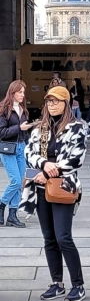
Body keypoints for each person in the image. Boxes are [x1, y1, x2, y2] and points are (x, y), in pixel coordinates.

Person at [20, 85, 87, 301]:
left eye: (57, 101)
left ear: (66, 103)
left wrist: (50, 171)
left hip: (63, 188)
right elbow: (29, 152)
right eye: (49, 101)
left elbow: (77, 158)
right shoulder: (40, 127)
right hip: (40, 188)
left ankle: (78, 285)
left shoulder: (77, 127)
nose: (52, 105)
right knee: (49, 238)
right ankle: (57, 283)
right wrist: (44, 164)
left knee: (63, 237)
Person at [0, 80, 34, 227]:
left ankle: (12, 216)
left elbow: (23, 131)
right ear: (12, 92)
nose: (22, 95)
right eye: (20, 92)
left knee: (21, 182)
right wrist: (19, 128)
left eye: (23, 92)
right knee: (15, 181)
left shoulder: (23, 110)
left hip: (21, 148)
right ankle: (1, 205)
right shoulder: (3, 110)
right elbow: (2, 133)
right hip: (8, 148)